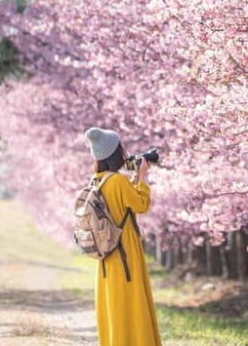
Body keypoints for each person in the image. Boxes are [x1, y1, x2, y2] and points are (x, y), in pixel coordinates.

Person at [85, 127, 162, 346]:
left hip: (107, 255)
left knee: (115, 305)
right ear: (114, 153)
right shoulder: (117, 182)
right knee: (132, 302)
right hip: (125, 250)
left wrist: (135, 176)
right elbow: (141, 204)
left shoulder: (96, 181)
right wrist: (143, 175)